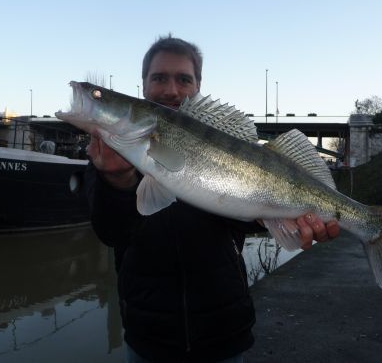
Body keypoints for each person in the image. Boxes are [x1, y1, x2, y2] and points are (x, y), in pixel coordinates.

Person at [85, 36, 339, 362]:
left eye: (183, 79)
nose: (171, 90)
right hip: (149, 338)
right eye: (159, 78)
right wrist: (117, 179)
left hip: (225, 336)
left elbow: (245, 218)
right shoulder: (108, 152)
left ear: (198, 86)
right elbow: (110, 231)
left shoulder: (223, 139)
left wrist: (287, 220)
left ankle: (370, 223)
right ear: (143, 86)